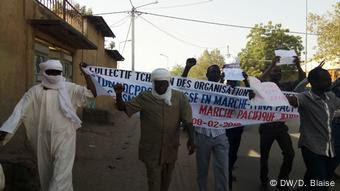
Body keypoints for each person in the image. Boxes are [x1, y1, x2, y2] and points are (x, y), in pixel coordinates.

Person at [0, 60, 96, 191]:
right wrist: (5, 131)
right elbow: (19, 112)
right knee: (46, 175)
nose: (54, 75)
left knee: (60, 178)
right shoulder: (35, 92)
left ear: (61, 73)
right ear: (44, 73)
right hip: (43, 139)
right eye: (51, 72)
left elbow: (92, 93)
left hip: (65, 138)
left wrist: (87, 74)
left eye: (57, 72)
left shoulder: (70, 88)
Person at [113, 68, 195, 191]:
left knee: (166, 183)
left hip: (170, 149)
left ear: (168, 83)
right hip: (151, 149)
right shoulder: (145, 97)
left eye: (164, 83)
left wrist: (192, 139)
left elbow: (187, 120)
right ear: (153, 83)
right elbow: (123, 108)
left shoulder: (179, 98)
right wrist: (119, 94)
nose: (161, 86)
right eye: (158, 82)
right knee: (154, 183)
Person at [287, 67, 340, 191]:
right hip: (311, 147)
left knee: (319, 179)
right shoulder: (304, 97)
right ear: (314, 82)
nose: (330, 82)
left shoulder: (331, 97)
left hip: (329, 147)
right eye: (326, 80)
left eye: (329, 79)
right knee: (321, 185)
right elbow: (287, 99)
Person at [182, 58, 230, 191]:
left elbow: (243, 98)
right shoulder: (198, 90)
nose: (214, 74)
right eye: (211, 72)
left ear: (220, 76)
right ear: (207, 75)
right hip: (202, 135)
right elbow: (181, 87)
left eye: (216, 72)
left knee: (222, 170)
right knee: (202, 170)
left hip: (220, 135)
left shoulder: (227, 91)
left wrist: (246, 82)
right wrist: (187, 68)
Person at [258, 56, 305, 191]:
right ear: (271, 71)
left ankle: (282, 181)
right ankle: (263, 180)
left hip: (280, 128)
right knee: (264, 157)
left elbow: (302, 80)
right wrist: (272, 65)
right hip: (266, 127)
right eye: (275, 71)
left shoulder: (286, 85)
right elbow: (260, 79)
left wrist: (298, 65)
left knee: (290, 154)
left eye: (279, 72)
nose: (277, 74)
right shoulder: (264, 86)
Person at [222, 69, 254, 190]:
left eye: (234, 80)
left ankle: (229, 172)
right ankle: (228, 179)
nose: (232, 82)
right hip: (226, 130)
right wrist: (221, 78)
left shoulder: (241, 91)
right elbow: (214, 90)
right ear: (227, 81)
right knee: (229, 155)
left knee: (234, 154)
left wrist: (246, 80)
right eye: (230, 80)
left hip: (238, 129)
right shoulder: (222, 90)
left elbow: (251, 94)